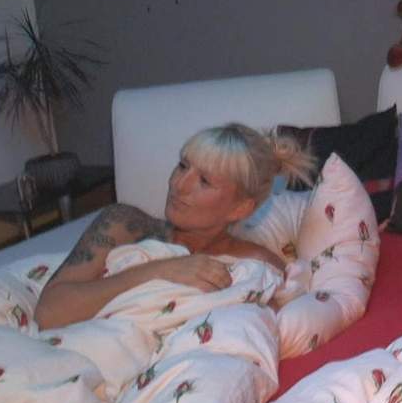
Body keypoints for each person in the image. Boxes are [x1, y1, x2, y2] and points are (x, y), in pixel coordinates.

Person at [34, 123, 316, 330]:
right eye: (182, 165)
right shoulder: (124, 225)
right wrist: (161, 271)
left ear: (240, 208)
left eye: (204, 181)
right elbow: (48, 313)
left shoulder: (257, 265)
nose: (178, 184)